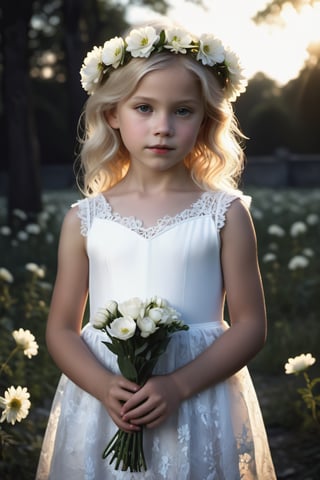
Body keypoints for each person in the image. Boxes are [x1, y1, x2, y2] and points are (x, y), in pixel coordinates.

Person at [36, 20, 276, 479]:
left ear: (205, 119)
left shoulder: (224, 214)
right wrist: (105, 386)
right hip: (106, 403)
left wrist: (179, 385)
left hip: (199, 396)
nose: (162, 127)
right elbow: (62, 330)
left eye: (182, 111)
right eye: (143, 108)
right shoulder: (85, 220)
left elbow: (251, 326)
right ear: (112, 114)